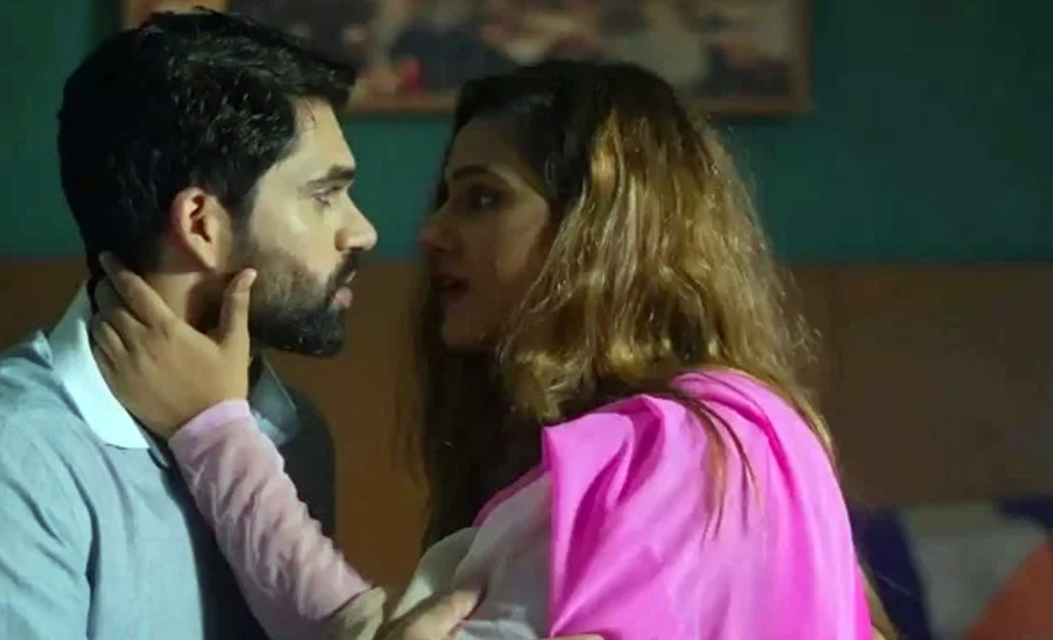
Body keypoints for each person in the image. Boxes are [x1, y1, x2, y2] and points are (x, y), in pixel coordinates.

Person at [90, 60, 895, 638]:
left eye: (483, 198)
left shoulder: (691, 446)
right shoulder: (683, 444)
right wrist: (217, 433)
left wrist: (214, 433)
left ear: (600, 227)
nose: (430, 233)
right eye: (447, 198)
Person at [0, 11, 481, 640]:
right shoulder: (9, 459)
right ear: (202, 224)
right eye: (324, 195)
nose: (362, 231)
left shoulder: (292, 434)